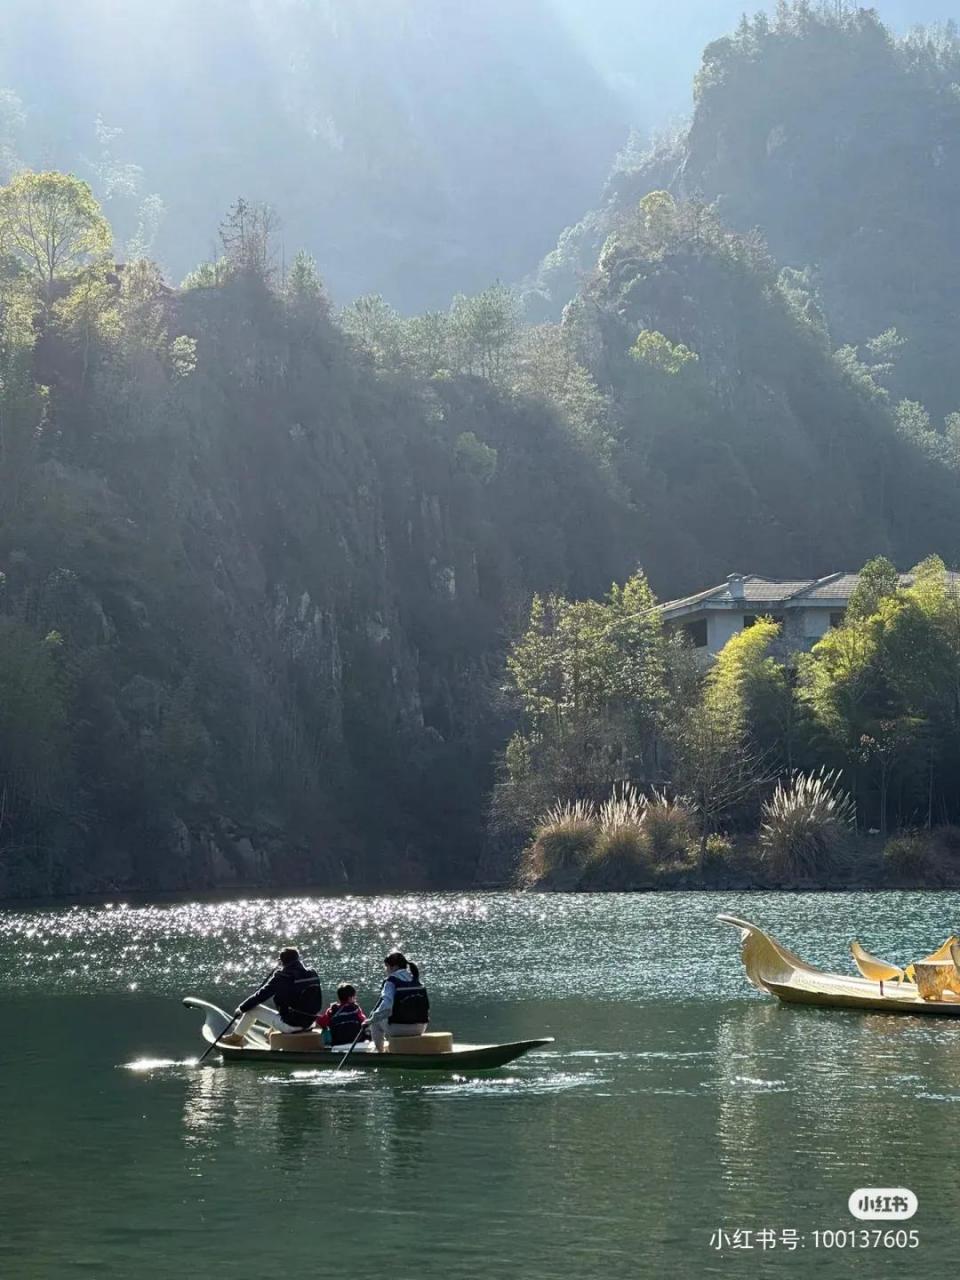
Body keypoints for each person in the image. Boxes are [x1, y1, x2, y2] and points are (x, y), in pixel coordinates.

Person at [223, 945, 323, 1044]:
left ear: (282, 962)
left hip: (292, 1025)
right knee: (291, 1004)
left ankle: (235, 1038)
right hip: (310, 1023)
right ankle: (271, 1031)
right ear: (297, 959)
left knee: (251, 1010)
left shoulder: (282, 976)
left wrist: (241, 1009)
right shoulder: (312, 973)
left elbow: (260, 996)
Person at [365, 951, 429, 1052]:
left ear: (394, 967)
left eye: (386, 967)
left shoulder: (390, 981)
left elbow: (386, 1008)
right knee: (377, 1017)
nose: (386, 970)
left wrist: (370, 1020)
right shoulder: (416, 979)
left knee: (375, 1021)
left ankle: (380, 1052)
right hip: (421, 1027)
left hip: (399, 1028)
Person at [316, 983, 369, 1047]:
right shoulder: (356, 1009)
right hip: (356, 1042)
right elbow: (364, 1021)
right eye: (354, 996)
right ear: (350, 998)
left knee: (326, 1029)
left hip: (338, 1043)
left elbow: (323, 1022)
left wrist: (315, 1017)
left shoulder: (332, 1010)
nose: (355, 998)